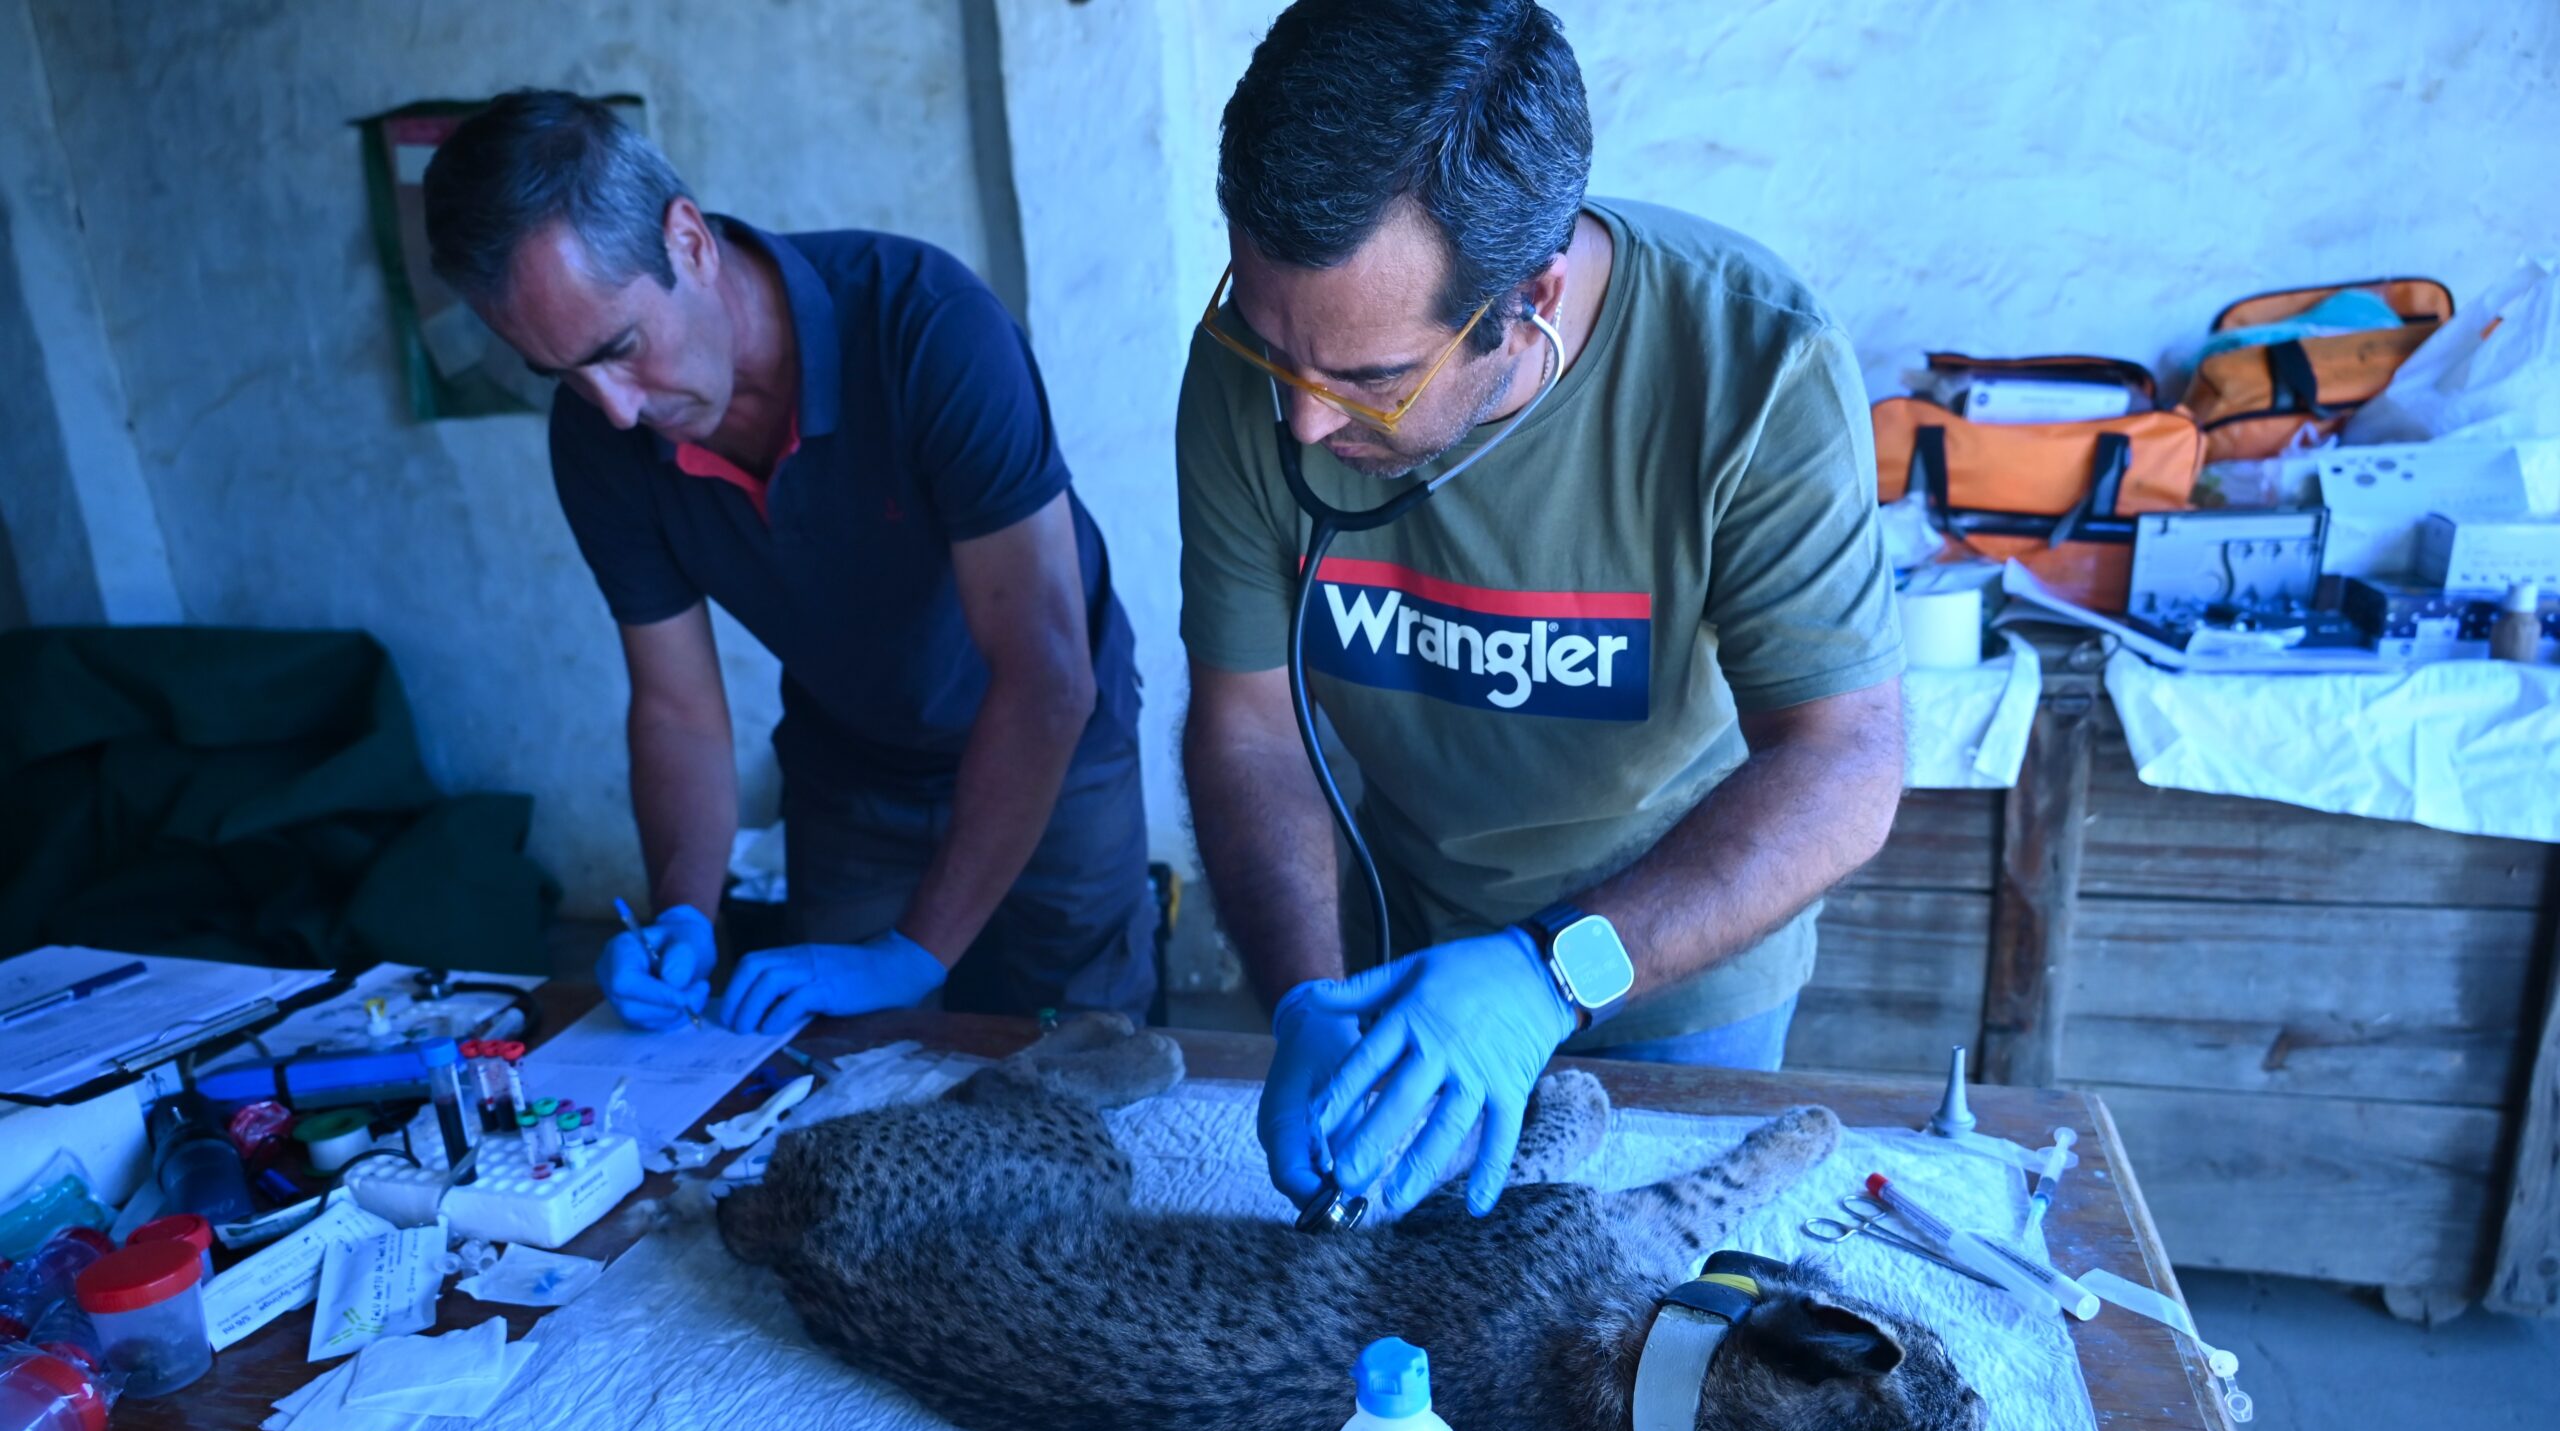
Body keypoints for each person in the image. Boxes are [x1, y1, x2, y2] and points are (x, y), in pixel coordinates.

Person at [1178, 1, 1904, 1221]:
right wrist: (1306, 991)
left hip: (1673, 981)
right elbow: (1245, 723)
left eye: (1369, 380)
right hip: (1389, 968)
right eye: (1274, 356)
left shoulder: (1751, 359)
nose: (1300, 422)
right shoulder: (1254, 360)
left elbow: (1844, 762)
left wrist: (1546, 975)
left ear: (1531, 298)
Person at [423, 92, 1154, 1037]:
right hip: (853, 766)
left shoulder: (928, 328)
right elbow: (677, 706)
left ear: (687, 241)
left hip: (1055, 742)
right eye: (561, 373)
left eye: (618, 350)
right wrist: (686, 910)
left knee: (1078, 1051)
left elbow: (1047, 674)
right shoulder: (598, 439)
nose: (611, 409)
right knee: (836, 1086)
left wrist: (913, 953)